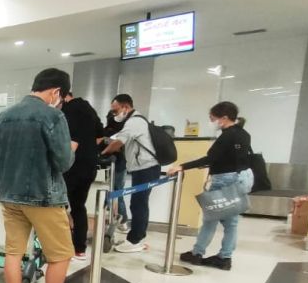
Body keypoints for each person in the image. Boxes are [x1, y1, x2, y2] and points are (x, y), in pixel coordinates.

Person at [0, 68, 86, 283]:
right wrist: (71, 151)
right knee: (61, 255)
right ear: (56, 92)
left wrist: (5, 173)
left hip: (10, 197)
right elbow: (62, 161)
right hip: (45, 197)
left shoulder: (3, 117)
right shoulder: (53, 116)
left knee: (13, 252)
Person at [168, 101, 254, 270]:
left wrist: (182, 166)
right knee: (231, 223)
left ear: (224, 118)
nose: (212, 122)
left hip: (224, 180)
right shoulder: (244, 134)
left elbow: (210, 158)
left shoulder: (227, 136)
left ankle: (197, 253)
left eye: (212, 118)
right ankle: (225, 257)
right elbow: (235, 158)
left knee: (210, 219)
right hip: (240, 178)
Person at [101, 94, 159, 253]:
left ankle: (135, 241)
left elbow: (118, 142)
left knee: (139, 203)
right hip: (142, 168)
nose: (114, 114)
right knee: (138, 202)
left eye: (115, 110)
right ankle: (135, 237)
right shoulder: (134, 121)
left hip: (146, 168)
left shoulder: (135, 122)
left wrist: (101, 154)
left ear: (125, 107)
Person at [60, 85, 103, 260]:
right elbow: (100, 137)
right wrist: (89, 150)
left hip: (72, 166)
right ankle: (80, 249)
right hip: (90, 165)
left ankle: (60, 246)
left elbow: (71, 143)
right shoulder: (89, 109)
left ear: (61, 96)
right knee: (78, 206)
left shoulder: (69, 111)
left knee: (58, 206)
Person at [101, 108, 130, 231]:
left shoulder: (120, 132)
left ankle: (122, 220)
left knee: (116, 191)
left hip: (116, 165)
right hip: (115, 165)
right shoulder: (119, 131)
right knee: (115, 191)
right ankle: (119, 220)